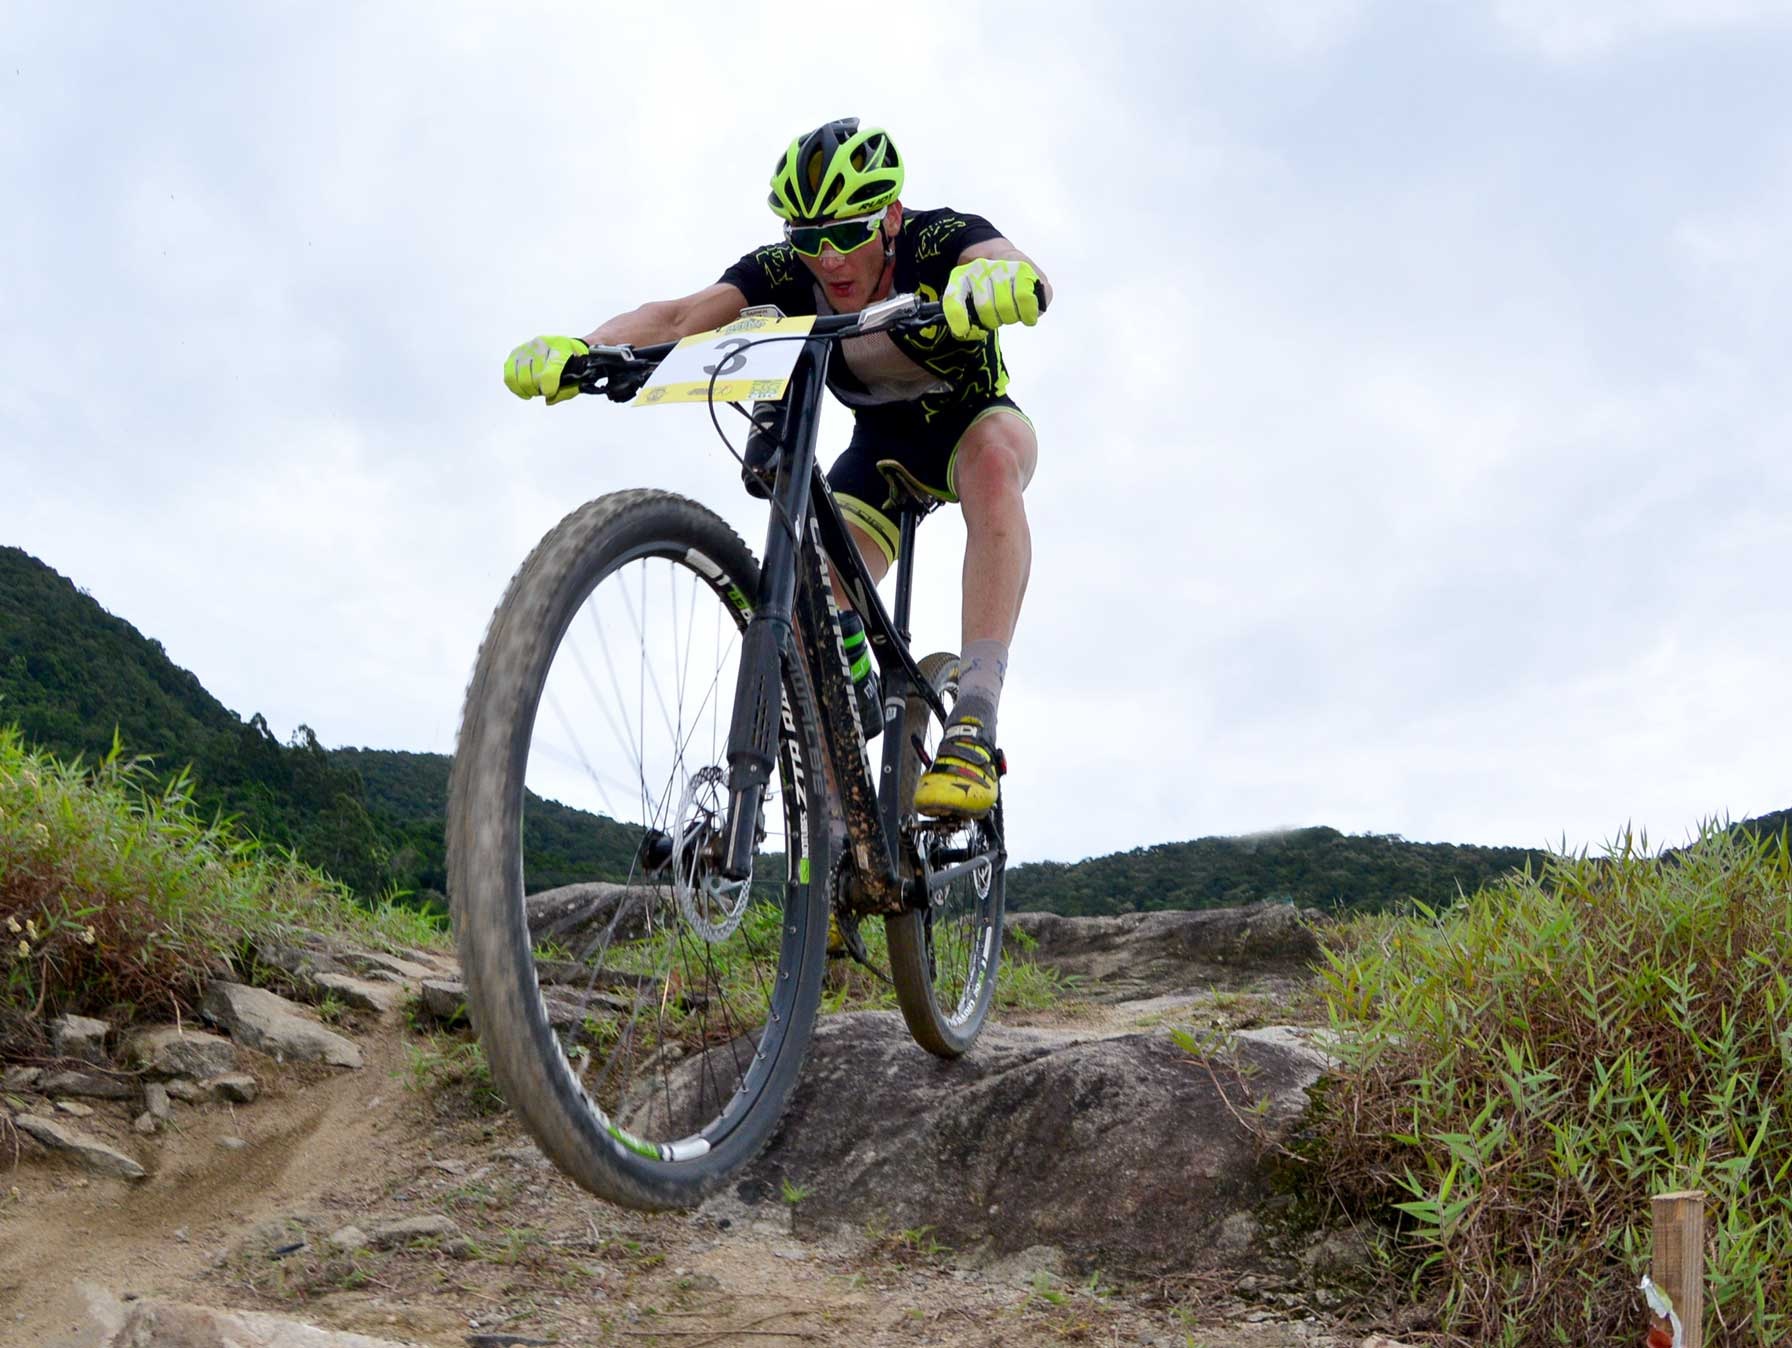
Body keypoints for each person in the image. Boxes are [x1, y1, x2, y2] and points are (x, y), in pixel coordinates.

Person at [502, 118, 1050, 819]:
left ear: (888, 217)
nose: (829, 259)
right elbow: (678, 318)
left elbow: (1009, 263)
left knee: (994, 464)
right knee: (804, 590)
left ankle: (973, 715)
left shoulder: (937, 237)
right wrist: (584, 348)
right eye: (808, 240)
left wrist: (1002, 277)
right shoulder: (790, 272)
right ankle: (832, 832)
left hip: (971, 422)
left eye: (847, 235)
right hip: (881, 450)